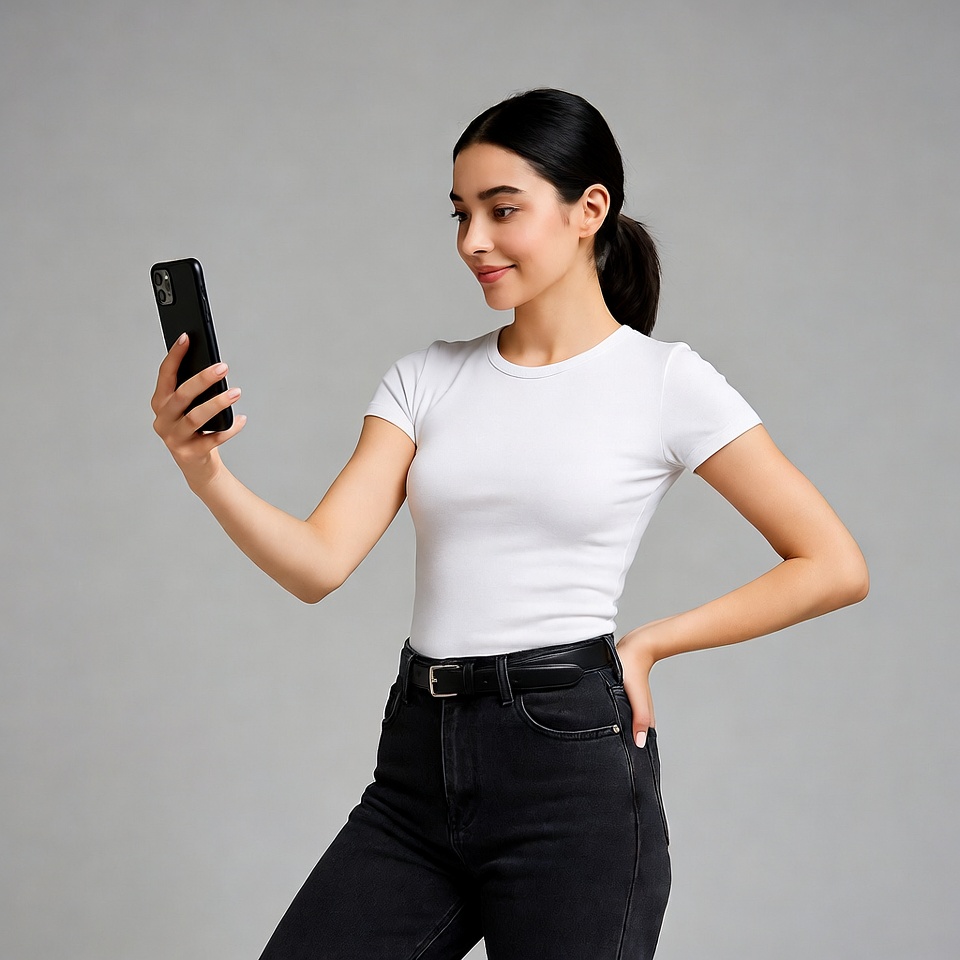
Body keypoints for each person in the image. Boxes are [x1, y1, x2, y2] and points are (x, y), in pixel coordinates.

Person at [151, 89, 868, 960]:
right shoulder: (426, 380)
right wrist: (203, 468)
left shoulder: (664, 382)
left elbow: (831, 563)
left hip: (571, 769)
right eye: (460, 214)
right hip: (419, 764)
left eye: (502, 210)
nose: (472, 243)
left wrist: (646, 646)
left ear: (587, 210)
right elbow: (318, 563)